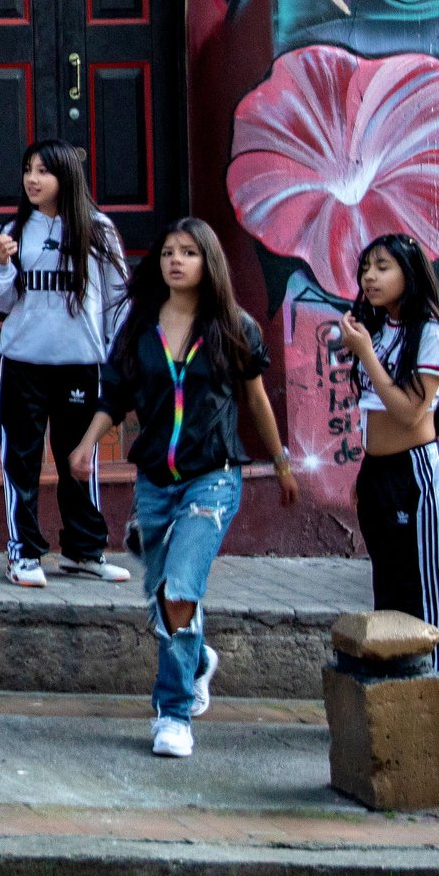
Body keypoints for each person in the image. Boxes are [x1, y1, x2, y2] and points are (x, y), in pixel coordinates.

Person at [70, 219, 298, 759]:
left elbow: (257, 400)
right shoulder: (140, 326)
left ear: (208, 262)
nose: (176, 260)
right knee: (160, 599)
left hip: (212, 478)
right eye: (170, 251)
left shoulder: (233, 327)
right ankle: (197, 662)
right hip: (155, 481)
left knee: (178, 591)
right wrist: (85, 446)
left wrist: (281, 462)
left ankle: (172, 714)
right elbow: (115, 396)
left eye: (190, 252)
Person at [0, 140, 130, 587]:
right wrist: (0, 263)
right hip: (23, 364)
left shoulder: (98, 231)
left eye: (43, 171)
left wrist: (115, 359)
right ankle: (23, 554)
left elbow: (118, 301)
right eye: (28, 170)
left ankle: (84, 552)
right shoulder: (14, 231)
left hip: (80, 365)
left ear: (65, 176)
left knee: (80, 462)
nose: (32, 179)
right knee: (21, 462)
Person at [338, 233, 439, 710]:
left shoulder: (427, 329)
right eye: (366, 267)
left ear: (409, 275)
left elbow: (410, 412)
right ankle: (398, 695)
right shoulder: (381, 326)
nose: (370, 277)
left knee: (429, 588)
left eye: (383, 267)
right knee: (388, 586)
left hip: (416, 473)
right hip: (378, 472)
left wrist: (366, 353)